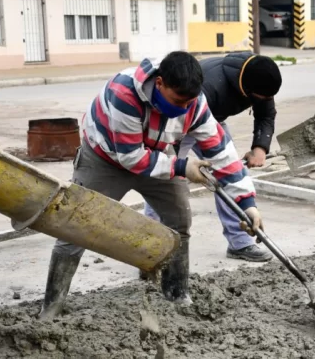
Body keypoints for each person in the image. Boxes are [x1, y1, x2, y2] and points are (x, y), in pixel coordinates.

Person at [39, 51, 264, 319]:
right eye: (178, 100)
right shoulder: (124, 93)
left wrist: (247, 203)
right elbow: (131, 157)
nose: (183, 109)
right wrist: (182, 167)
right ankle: (52, 306)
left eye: (189, 102)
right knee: (75, 224)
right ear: (159, 84)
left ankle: (177, 294)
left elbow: (222, 153)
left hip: (157, 151)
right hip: (105, 158)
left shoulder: (195, 104)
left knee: (179, 221)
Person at [142, 53, 282, 263]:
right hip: (180, 120)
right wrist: (176, 165)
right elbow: (178, 115)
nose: (264, 101)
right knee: (164, 182)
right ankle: (152, 248)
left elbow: (266, 114)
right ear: (248, 90)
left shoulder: (259, 78)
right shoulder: (213, 84)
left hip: (212, 121)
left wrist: (260, 148)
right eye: (261, 98)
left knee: (232, 174)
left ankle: (240, 242)